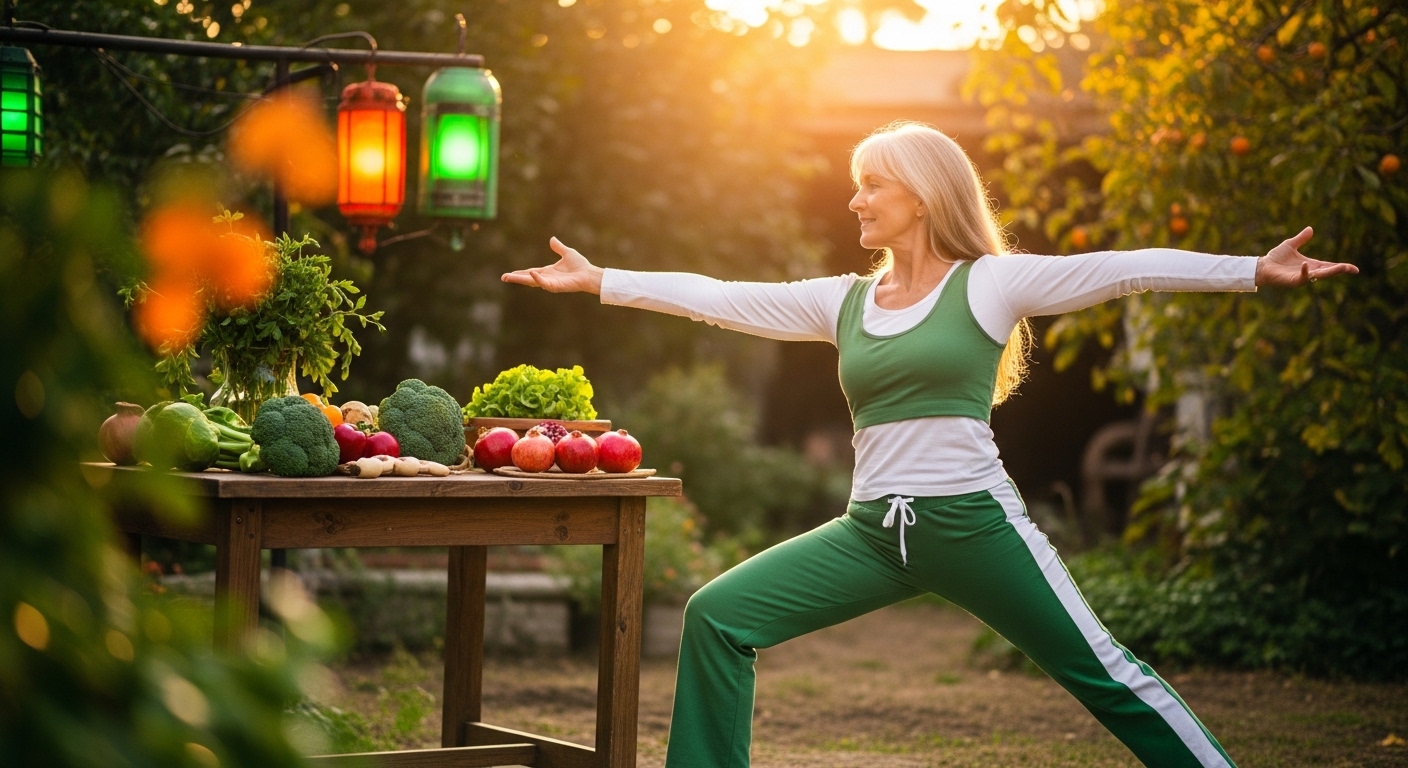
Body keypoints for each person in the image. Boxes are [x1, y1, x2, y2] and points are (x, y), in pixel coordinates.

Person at [502, 121, 1358, 768]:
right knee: (718, 617)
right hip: (873, 532)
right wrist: (602, 280)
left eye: (871, 185)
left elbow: (1122, 266)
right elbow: (721, 296)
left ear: (920, 193)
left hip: (973, 525)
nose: (856, 200)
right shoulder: (843, 302)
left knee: (1105, 672)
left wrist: (1251, 268)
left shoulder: (990, 284)